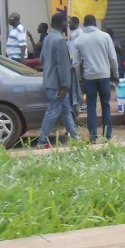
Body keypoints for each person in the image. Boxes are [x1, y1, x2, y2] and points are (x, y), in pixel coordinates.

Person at [70, 14, 118, 143]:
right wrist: (116, 74)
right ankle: (107, 136)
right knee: (106, 105)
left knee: (91, 106)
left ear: (84, 25)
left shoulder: (79, 40)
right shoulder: (105, 36)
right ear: (95, 24)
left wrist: (79, 78)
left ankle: (93, 136)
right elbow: (113, 58)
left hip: (89, 77)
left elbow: (75, 63)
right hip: (104, 76)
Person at [35, 12, 80, 150]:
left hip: (49, 81)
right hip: (58, 85)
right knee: (53, 111)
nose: (67, 24)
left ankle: (75, 137)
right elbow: (62, 66)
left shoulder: (48, 38)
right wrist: (65, 86)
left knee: (66, 110)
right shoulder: (60, 41)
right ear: (61, 23)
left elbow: (42, 59)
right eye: (66, 22)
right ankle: (42, 142)